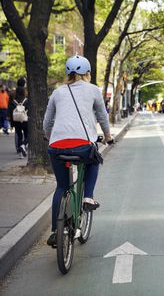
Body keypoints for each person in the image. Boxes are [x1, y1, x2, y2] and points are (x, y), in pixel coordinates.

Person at [43, 55, 113, 247]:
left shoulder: (57, 93)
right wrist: (107, 136)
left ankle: (55, 232)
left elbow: (47, 122)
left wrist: (50, 138)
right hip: (83, 145)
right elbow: (102, 116)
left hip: (56, 147)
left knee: (61, 187)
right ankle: (88, 197)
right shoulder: (93, 90)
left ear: (68, 73)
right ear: (87, 73)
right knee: (94, 160)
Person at [8, 77, 29, 158]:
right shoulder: (26, 97)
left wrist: (11, 121)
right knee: (28, 135)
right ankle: (23, 145)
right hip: (25, 120)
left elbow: (10, 109)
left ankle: (20, 153)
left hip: (16, 120)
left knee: (19, 135)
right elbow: (29, 108)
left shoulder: (13, 96)